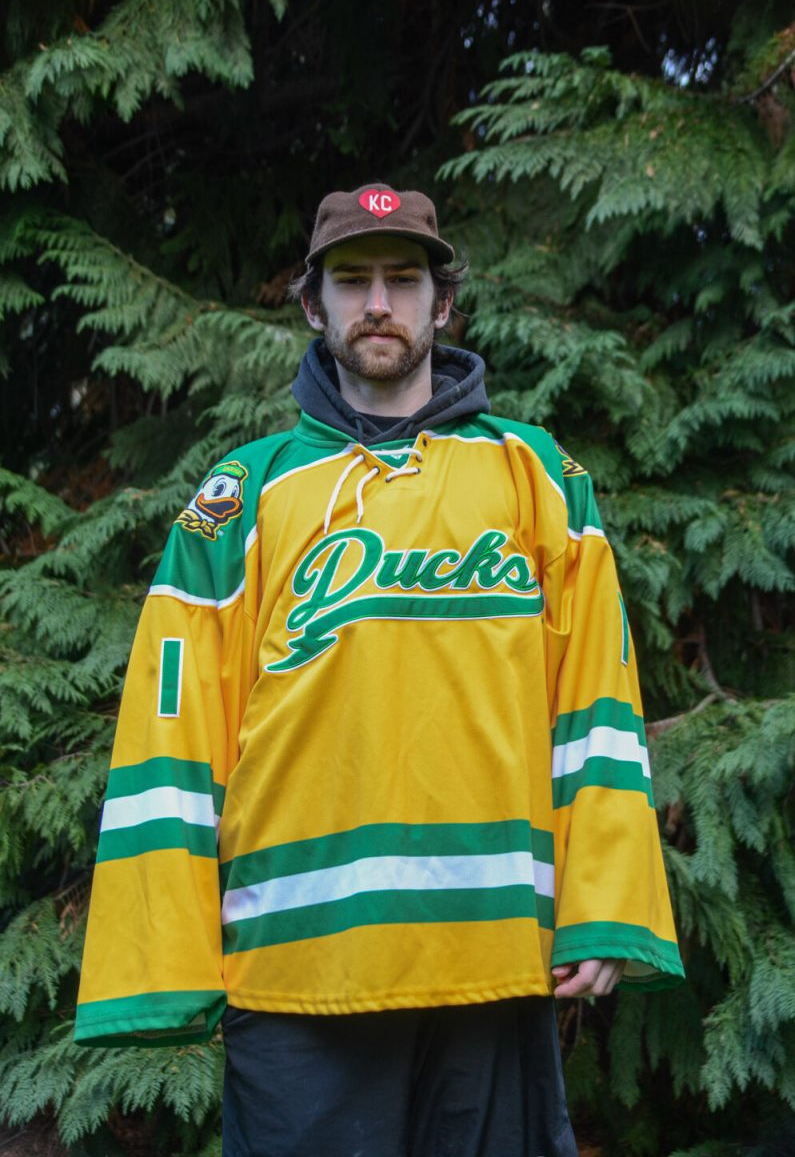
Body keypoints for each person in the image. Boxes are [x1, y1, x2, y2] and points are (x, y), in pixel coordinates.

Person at [75, 183, 684, 1156]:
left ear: (443, 304)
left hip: (490, 959)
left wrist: (603, 908)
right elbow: (170, 737)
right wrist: (169, 960)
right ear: (312, 305)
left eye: (403, 280)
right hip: (296, 975)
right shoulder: (243, 496)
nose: (377, 304)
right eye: (351, 280)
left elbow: (595, 709)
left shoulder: (538, 477)